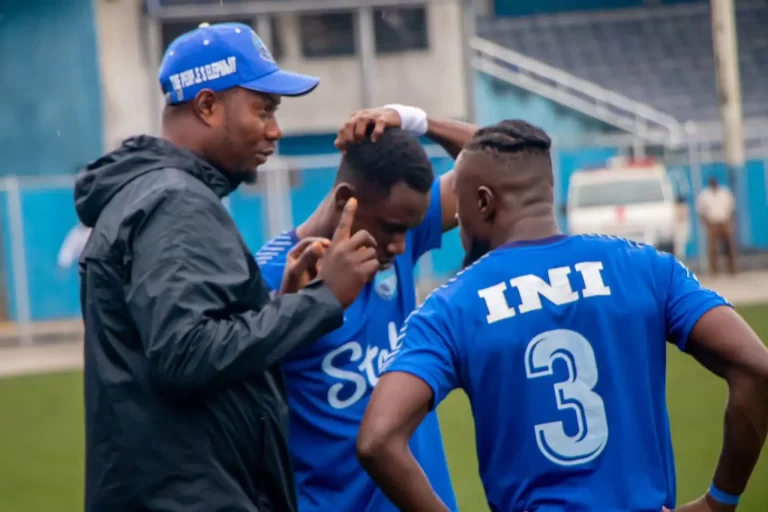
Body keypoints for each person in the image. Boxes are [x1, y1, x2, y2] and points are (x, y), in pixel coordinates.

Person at [357, 121, 768, 511]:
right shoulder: (646, 268)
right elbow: (757, 368)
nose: (459, 223)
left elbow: (377, 439)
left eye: (460, 211)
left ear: (482, 202)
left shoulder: (451, 307)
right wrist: (720, 501)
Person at [75, 22, 379, 512]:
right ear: (208, 106)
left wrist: (280, 304)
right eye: (264, 109)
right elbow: (186, 354)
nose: (276, 130)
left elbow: (186, 341)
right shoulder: (175, 202)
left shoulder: (157, 195)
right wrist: (324, 299)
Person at [256, 105, 476, 511]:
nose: (400, 245)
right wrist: (296, 304)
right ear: (346, 201)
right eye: (391, 230)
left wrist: (414, 120)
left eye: (408, 232)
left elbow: (495, 165)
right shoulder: (268, 277)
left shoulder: (398, 229)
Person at [696, 177, 737, 275]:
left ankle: (732, 269)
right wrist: (706, 223)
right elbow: (700, 211)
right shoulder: (705, 195)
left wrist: (730, 222)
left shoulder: (725, 192)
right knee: (713, 249)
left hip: (724, 221)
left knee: (729, 247)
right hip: (712, 222)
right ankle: (714, 271)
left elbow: (731, 208)